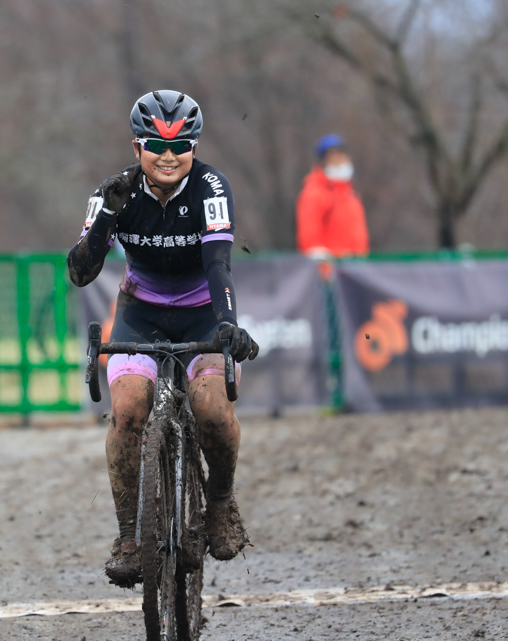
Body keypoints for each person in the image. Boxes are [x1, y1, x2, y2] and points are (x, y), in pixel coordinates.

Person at [67, 90, 258, 587]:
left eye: (181, 146)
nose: (168, 157)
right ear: (137, 148)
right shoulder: (114, 191)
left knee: (212, 408)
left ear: (194, 147)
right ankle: (130, 537)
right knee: (128, 408)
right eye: (156, 145)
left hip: (201, 315)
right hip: (140, 314)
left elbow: (218, 264)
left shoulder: (212, 187)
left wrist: (227, 322)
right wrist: (107, 216)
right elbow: (80, 274)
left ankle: (219, 504)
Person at [296, 134, 369, 258]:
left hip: (355, 270)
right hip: (330, 272)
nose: (339, 161)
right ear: (323, 162)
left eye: (342, 155)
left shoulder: (351, 195)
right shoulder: (314, 193)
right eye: (333, 157)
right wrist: (325, 268)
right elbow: (310, 241)